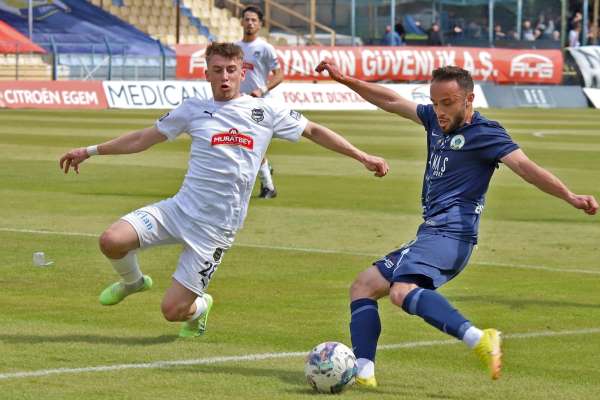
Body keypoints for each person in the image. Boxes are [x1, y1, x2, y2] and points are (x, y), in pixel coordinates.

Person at [59, 43, 389, 338]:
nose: (225, 77)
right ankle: (133, 282)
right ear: (207, 74)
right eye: (218, 70)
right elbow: (142, 138)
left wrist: (362, 156)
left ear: (242, 72)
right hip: (178, 210)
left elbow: (314, 130)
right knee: (110, 241)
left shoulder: (265, 112)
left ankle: (201, 307)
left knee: (172, 311)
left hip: (215, 231)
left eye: (232, 70)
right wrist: (88, 151)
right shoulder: (193, 109)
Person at [315, 60, 598, 387]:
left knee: (401, 291)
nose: (440, 111)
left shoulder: (486, 133)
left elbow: (525, 167)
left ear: (469, 99)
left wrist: (570, 196)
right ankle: (362, 371)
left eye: (447, 103)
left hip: (452, 236)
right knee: (363, 285)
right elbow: (392, 100)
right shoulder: (435, 121)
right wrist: (345, 79)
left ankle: (479, 338)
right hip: (430, 233)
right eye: (435, 103)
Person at [236, 5, 282, 199]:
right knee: (241, 145)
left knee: (252, 145)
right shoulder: (235, 47)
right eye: (247, 19)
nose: (250, 23)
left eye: (254, 20)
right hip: (238, 104)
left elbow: (280, 74)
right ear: (241, 22)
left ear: (260, 24)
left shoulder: (264, 48)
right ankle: (264, 175)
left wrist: (262, 89)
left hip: (258, 104)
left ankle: (268, 187)